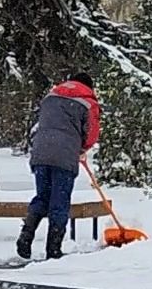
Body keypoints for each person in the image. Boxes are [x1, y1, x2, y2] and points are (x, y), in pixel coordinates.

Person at [17, 71, 101, 260]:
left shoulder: (51, 97)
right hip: (64, 156)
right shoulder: (88, 102)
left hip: (41, 152)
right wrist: (82, 148)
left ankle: (26, 235)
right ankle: (53, 248)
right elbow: (92, 133)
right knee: (59, 202)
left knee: (42, 196)